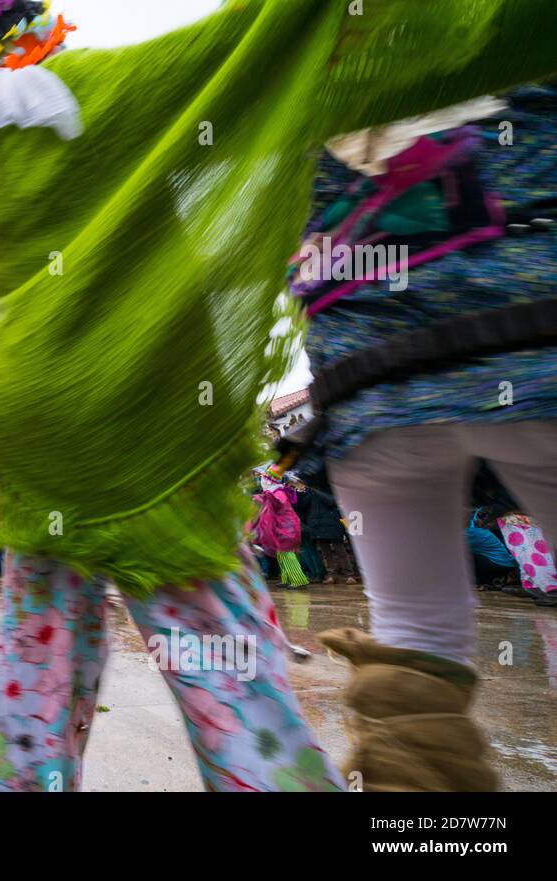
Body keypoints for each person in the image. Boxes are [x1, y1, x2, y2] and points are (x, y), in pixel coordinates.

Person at [0, 0, 557, 791]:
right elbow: (244, 56)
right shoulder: (77, 89)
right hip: (137, 434)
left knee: (34, 693)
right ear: (32, 34)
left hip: (28, 436)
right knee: (232, 686)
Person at [281, 75, 557, 789]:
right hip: (524, 337)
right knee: (412, 632)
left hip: (370, 381)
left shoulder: (311, 50)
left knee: (414, 640)